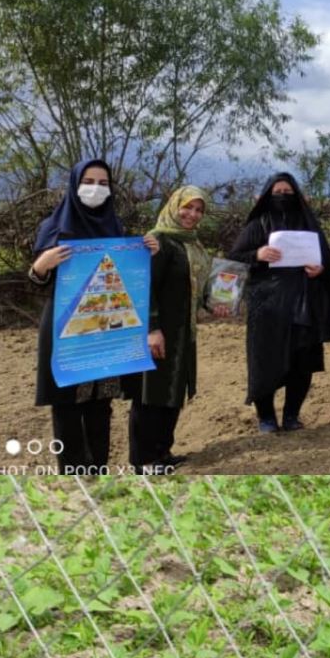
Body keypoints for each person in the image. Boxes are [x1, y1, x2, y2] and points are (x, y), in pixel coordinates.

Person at [28, 158, 160, 474]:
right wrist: (41, 265)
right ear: (75, 184)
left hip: (107, 327)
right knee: (68, 402)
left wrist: (146, 251)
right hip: (66, 330)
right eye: (89, 181)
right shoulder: (54, 228)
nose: (95, 189)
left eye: (103, 183)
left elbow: (128, 276)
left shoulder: (114, 228)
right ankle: (72, 471)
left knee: (102, 400)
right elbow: (35, 283)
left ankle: (98, 468)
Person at [228, 173, 330, 433]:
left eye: (288, 192)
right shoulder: (257, 225)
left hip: (303, 305)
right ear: (267, 195)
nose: (283, 196)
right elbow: (233, 258)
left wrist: (320, 270)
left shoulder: (308, 225)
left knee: (302, 363)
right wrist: (258, 254)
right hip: (266, 307)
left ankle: (291, 416)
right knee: (265, 361)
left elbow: (328, 261)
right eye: (278, 192)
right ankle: (266, 418)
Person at [123, 186, 211, 473]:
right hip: (159, 331)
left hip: (183, 331)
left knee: (172, 392)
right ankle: (143, 460)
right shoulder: (157, 241)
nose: (192, 214)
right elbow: (145, 287)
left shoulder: (193, 244)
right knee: (150, 395)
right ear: (174, 206)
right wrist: (152, 328)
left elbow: (198, 287)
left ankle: (162, 452)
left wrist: (215, 303)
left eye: (198, 210)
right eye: (187, 207)